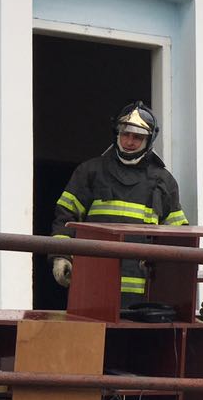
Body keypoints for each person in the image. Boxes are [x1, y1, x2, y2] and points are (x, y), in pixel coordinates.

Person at [51, 101, 188, 306]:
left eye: (137, 137)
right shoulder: (90, 172)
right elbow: (66, 216)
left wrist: (174, 279)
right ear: (117, 133)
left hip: (145, 296)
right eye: (125, 134)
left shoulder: (164, 181)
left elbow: (178, 235)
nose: (129, 141)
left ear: (149, 140)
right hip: (94, 289)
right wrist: (60, 256)